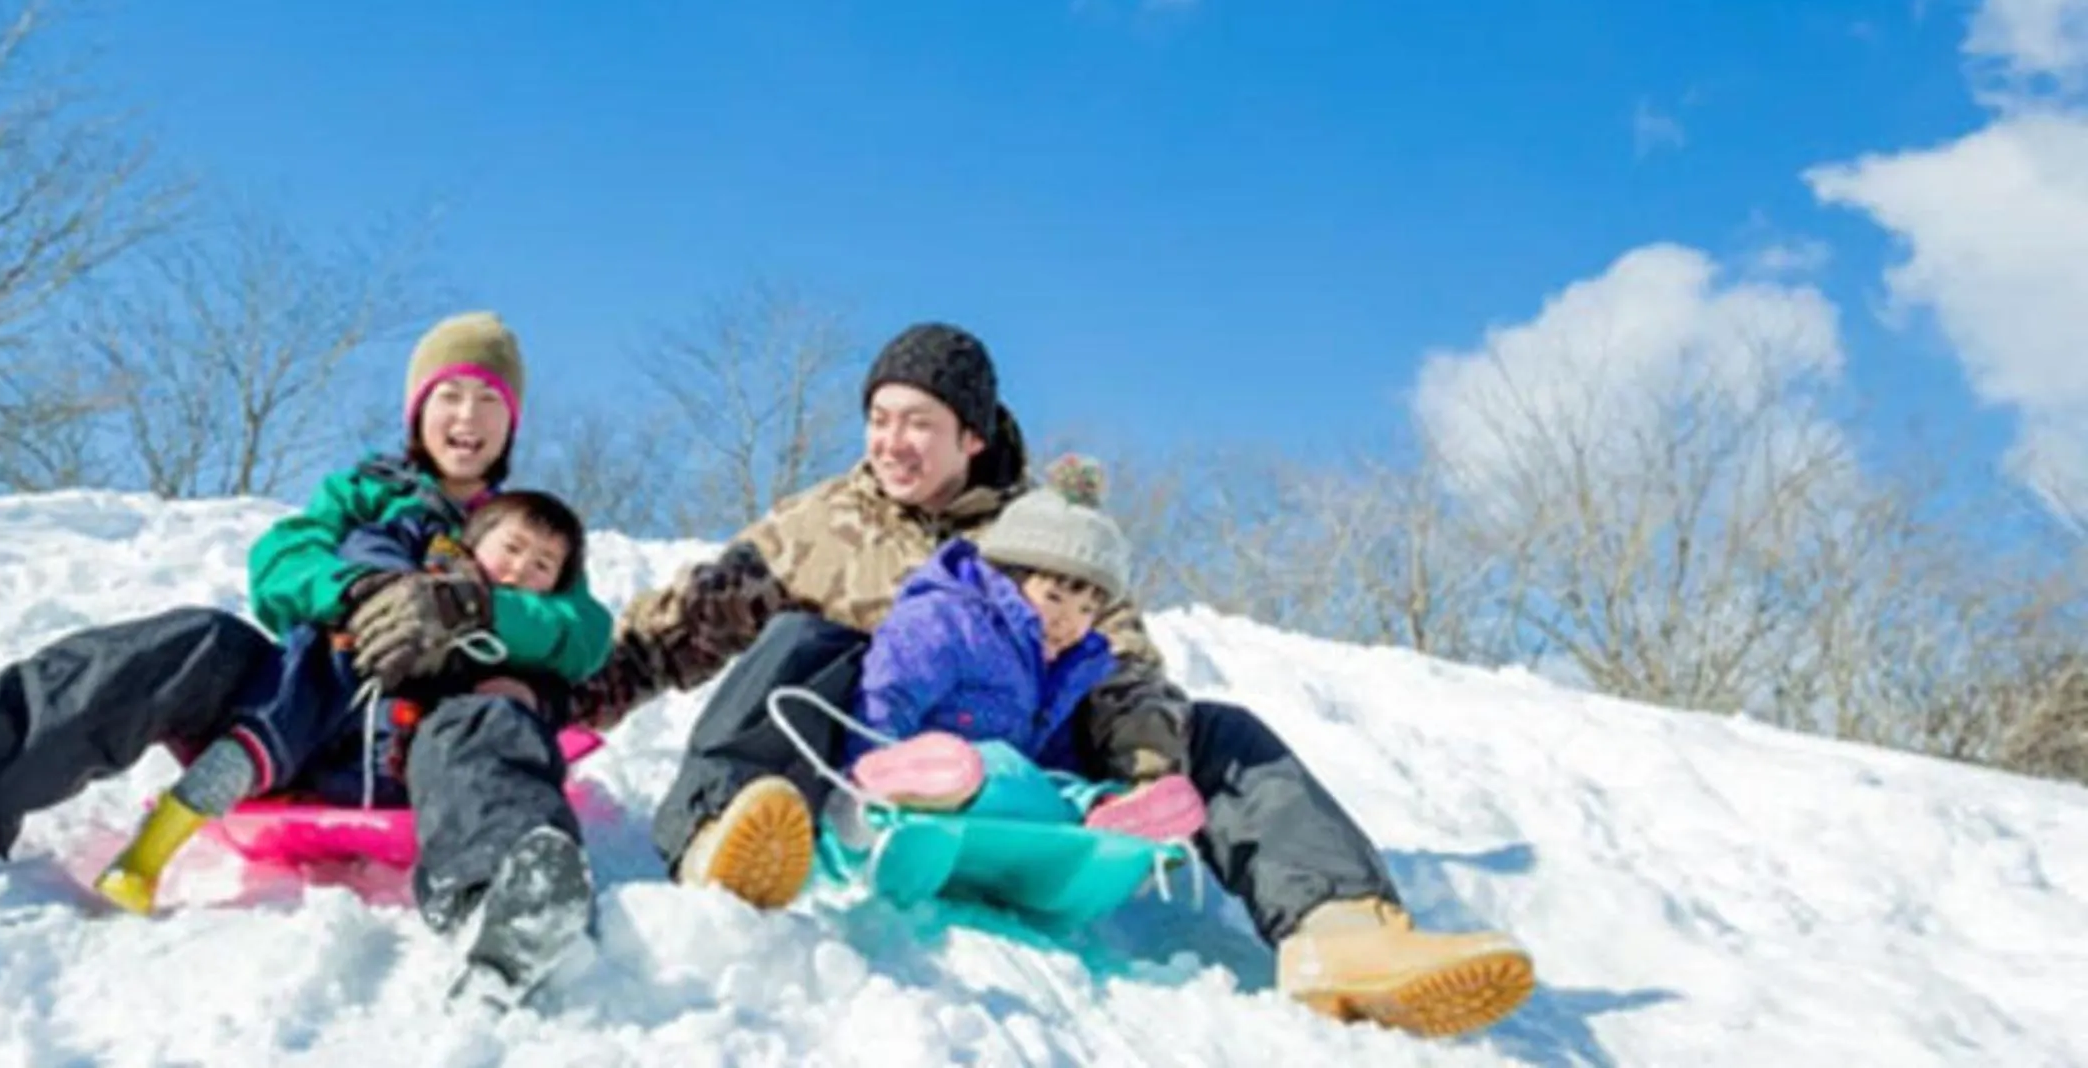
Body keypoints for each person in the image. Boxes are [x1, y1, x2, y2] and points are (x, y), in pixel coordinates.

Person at [569, 321, 1535, 1039]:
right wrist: (563, 696)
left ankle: (1341, 930)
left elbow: (1120, 667)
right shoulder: (821, 521)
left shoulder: (1046, 535)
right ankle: (718, 834)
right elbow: (682, 623)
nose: (889, 442)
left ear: (973, 437)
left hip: (1028, 758)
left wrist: (1153, 766)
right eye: (877, 419)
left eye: (917, 422)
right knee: (803, 644)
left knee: (1224, 731)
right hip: (878, 753)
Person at [0, 312, 616, 996]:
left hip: (418, 748)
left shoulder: (530, 528)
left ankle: (503, 896)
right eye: (451, 397)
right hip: (296, 716)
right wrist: (351, 592)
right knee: (185, 641)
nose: (467, 419)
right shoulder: (360, 496)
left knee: (494, 714)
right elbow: (279, 565)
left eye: (490, 404)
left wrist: (483, 607)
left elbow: (581, 632)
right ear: (418, 409)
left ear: (512, 426)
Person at [93, 487, 590, 917]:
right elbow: (367, 546)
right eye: (513, 548)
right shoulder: (424, 543)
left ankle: (501, 890)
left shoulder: (521, 638)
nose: (522, 568)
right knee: (304, 674)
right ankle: (147, 853)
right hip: (321, 714)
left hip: (402, 759)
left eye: (543, 565)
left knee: (480, 724)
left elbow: (558, 688)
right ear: (474, 538)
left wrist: (529, 695)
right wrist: (395, 589)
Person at [840, 457, 1208, 846]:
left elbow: (1053, 748)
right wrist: (871, 763)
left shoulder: (1068, 667)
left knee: (1044, 784)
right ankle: (917, 784)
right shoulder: (949, 619)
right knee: (987, 768)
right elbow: (888, 691)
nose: (1070, 621)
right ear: (1009, 579)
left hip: (993, 802)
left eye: (1087, 610)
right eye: (1054, 597)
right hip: (911, 780)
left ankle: (1111, 816)